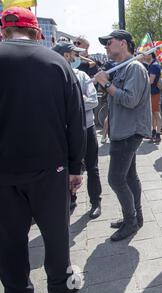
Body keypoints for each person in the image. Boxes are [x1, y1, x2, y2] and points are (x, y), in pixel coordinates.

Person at [0, 7, 86, 293]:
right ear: (37, 33)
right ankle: (60, 287)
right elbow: (76, 121)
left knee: (9, 239)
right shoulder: (58, 64)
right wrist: (76, 167)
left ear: (4, 31)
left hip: (3, 173)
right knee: (56, 233)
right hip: (51, 170)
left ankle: (16, 292)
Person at [94, 30, 152, 242]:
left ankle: (131, 222)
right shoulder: (122, 67)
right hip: (122, 130)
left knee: (115, 179)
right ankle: (136, 217)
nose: (106, 46)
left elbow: (130, 100)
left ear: (124, 43)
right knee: (129, 177)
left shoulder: (135, 68)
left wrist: (107, 84)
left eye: (109, 42)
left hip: (129, 132)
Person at [53, 42, 103, 220]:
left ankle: (95, 202)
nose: (76, 58)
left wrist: (76, 102)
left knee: (92, 167)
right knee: (65, 168)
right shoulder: (52, 76)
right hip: (63, 132)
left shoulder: (82, 76)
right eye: (74, 54)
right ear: (65, 55)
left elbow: (93, 101)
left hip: (86, 129)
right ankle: (70, 199)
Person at [144, 52, 162, 143]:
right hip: (153, 92)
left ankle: (158, 134)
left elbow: (150, 81)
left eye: (145, 54)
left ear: (150, 55)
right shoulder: (153, 65)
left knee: (155, 113)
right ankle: (154, 133)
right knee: (154, 113)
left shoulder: (154, 66)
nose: (144, 56)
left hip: (154, 93)